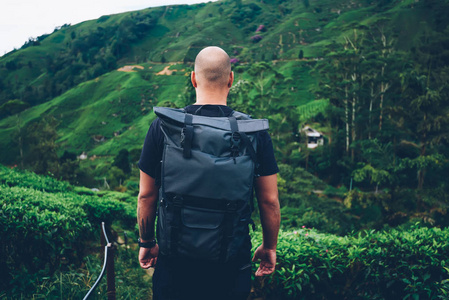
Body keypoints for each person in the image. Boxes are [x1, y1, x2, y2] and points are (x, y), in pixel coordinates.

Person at [137, 46, 280, 300]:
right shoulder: (254, 133)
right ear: (231, 79)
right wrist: (269, 247)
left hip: (174, 264)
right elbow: (269, 201)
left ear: (193, 78)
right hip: (231, 266)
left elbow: (146, 195)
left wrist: (147, 243)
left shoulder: (163, 127)